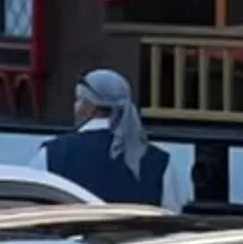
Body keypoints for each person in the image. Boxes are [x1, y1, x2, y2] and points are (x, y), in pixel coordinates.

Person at [42, 69, 169, 206]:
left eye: (78, 100)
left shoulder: (51, 154)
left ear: (89, 107)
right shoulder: (161, 162)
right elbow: (172, 215)